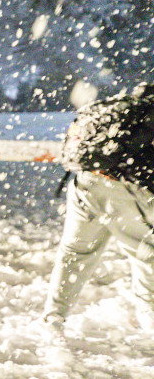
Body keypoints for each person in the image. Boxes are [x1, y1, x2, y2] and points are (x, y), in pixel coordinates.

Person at [44, 83, 154, 329]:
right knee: (147, 252)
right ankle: (151, 318)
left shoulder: (118, 107)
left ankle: (54, 315)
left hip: (85, 182)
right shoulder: (146, 116)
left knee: (75, 253)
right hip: (121, 189)